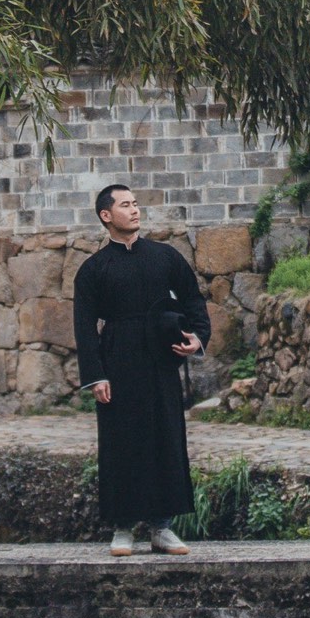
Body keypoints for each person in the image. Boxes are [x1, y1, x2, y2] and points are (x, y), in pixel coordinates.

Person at [73, 182, 211, 557]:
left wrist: (197, 338)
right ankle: (122, 528)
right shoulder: (93, 269)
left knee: (166, 437)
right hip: (117, 360)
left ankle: (162, 527)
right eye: (125, 205)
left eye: (136, 204)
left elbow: (193, 300)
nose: (134, 210)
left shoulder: (165, 257)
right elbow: (84, 326)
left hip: (160, 358)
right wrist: (96, 375)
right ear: (106, 216)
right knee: (121, 442)